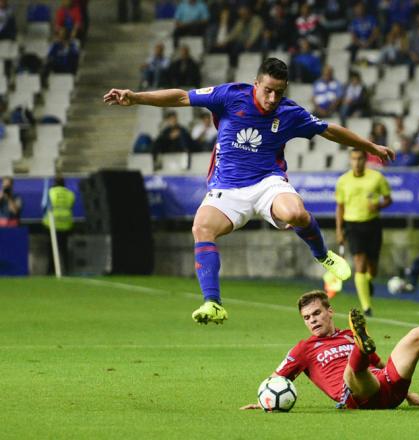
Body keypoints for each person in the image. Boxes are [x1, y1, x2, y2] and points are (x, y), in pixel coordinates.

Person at [103, 58, 395, 326]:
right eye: (267, 90)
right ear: (256, 84)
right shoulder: (230, 95)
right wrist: (136, 97)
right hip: (227, 187)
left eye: (278, 92)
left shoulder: (289, 112)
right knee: (201, 228)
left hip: (268, 182)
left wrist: (370, 147)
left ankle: (322, 255)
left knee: (296, 213)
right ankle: (213, 303)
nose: (271, 98)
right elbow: (182, 96)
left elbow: (329, 129)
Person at [240, 290, 419, 410]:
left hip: (387, 387)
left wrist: (407, 394)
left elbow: (382, 366)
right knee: (352, 374)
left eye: (317, 313)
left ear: (330, 311)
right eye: (307, 317)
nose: (313, 320)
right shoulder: (303, 349)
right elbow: (277, 379)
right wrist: (265, 400)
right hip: (356, 395)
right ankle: (360, 345)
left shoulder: (342, 335)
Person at [335, 149, 392, 316]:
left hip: (373, 224)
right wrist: (339, 230)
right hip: (353, 225)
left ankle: (367, 282)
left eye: (360, 159)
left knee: (372, 268)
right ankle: (367, 307)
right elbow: (340, 207)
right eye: (354, 159)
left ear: (365, 160)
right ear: (350, 160)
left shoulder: (376, 178)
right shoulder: (343, 181)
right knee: (359, 262)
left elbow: (388, 199)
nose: (357, 162)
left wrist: (379, 205)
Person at [42, 175, 76, 274]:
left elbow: (45, 206)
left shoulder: (51, 192)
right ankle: (66, 271)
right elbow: (71, 205)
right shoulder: (70, 194)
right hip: (66, 224)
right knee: (64, 250)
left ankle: (50, 271)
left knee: (51, 250)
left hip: (52, 225)